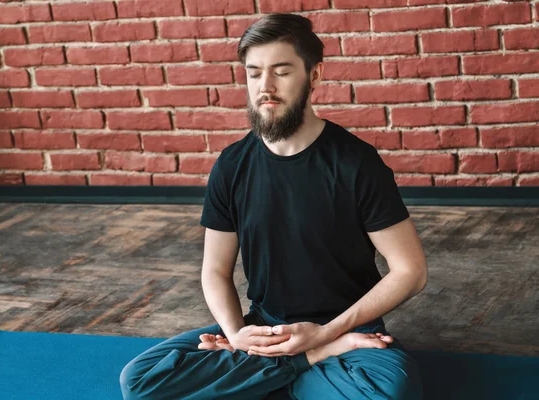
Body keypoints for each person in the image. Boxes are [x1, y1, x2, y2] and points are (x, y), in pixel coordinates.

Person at [120, 13, 427, 400]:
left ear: (313, 76)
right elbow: (215, 271)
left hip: (345, 330)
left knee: (388, 393)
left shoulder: (356, 164)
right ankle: (307, 364)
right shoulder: (232, 165)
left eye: (281, 72)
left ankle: (280, 371)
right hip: (265, 330)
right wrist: (237, 336)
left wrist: (325, 335)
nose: (265, 87)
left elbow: (410, 271)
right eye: (253, 73)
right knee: (140, 380)